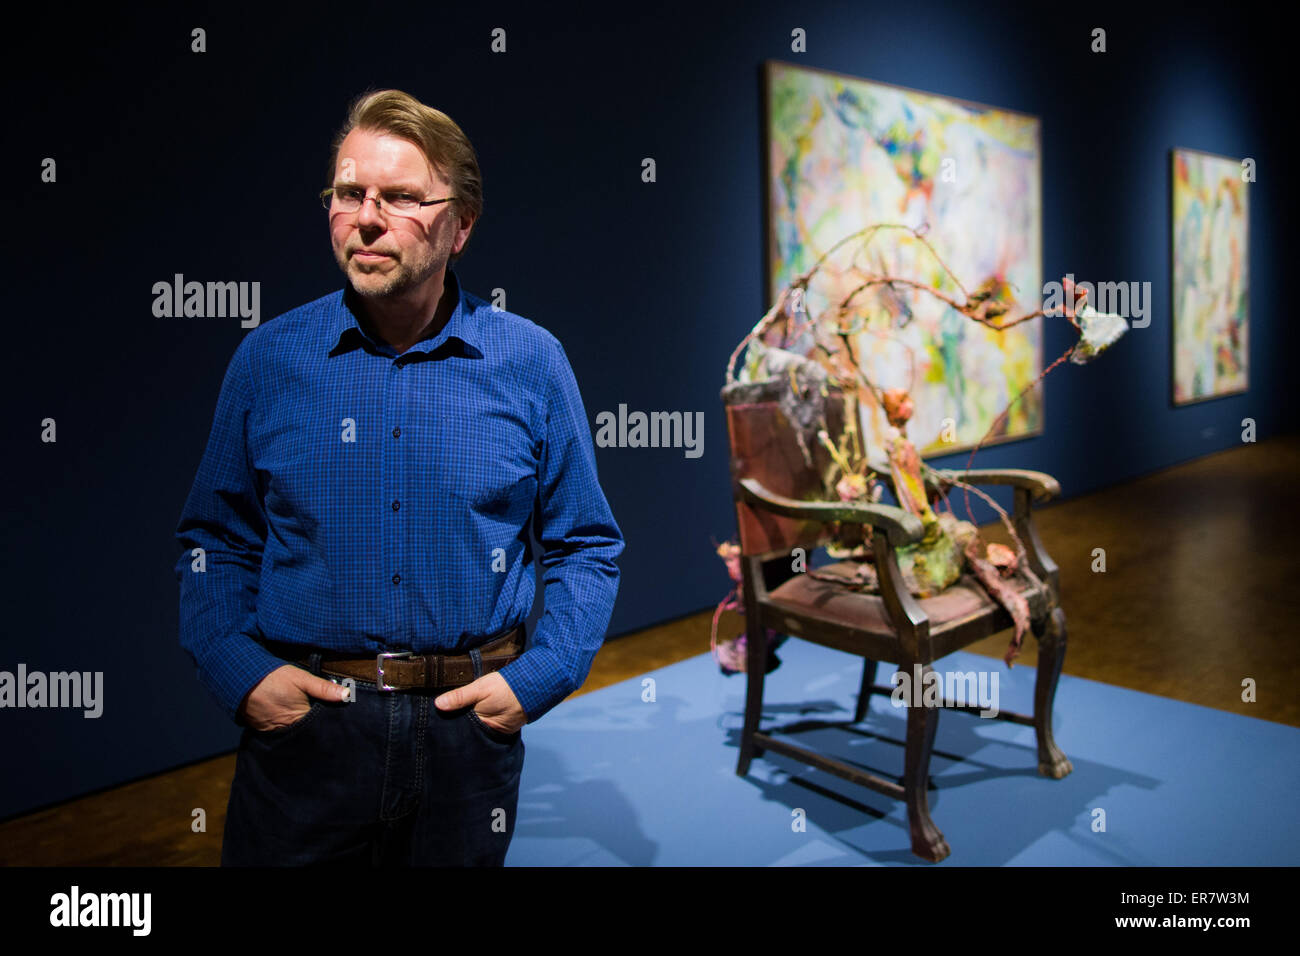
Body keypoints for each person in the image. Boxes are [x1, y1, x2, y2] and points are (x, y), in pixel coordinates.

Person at [173, 89, 624, 866]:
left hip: (467, 742)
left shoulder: (530, 363)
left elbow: (586, 542)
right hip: (308, 736)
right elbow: (213, 539)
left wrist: (540, 677)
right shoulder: (270, 360)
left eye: (403, 197)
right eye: (350, 194)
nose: (368, 218)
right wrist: (241, 673)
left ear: (462, 225)